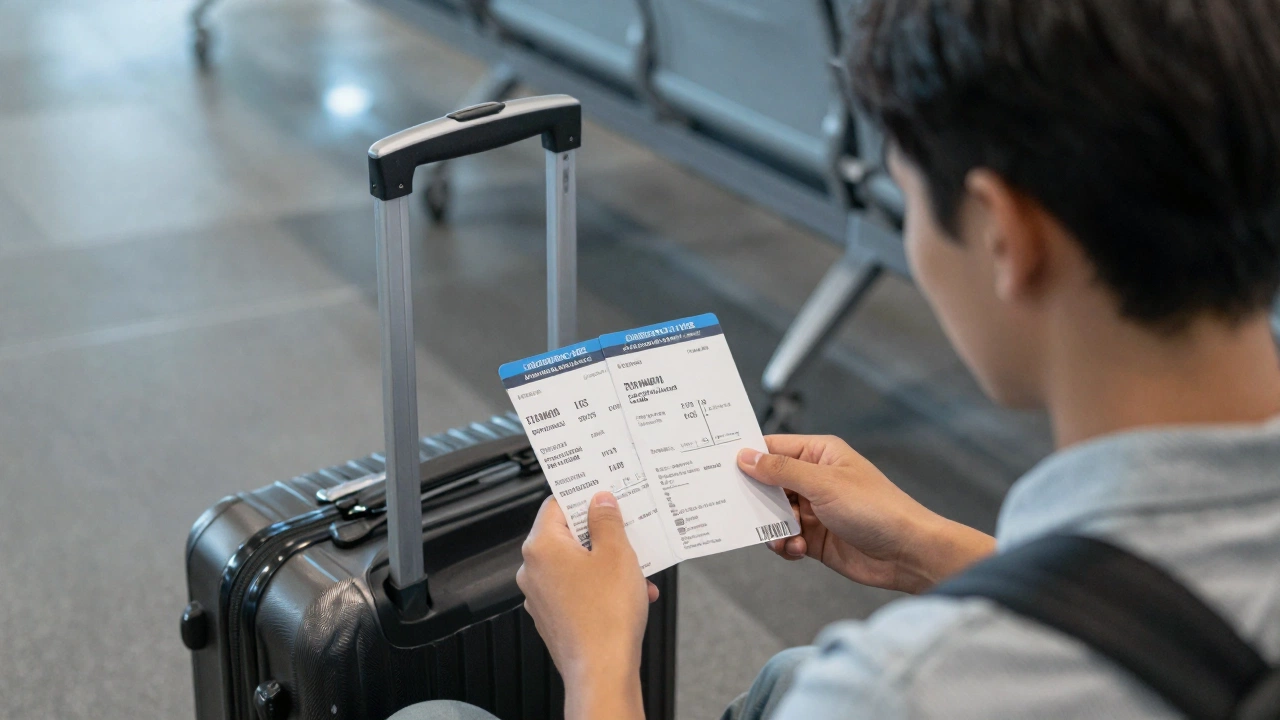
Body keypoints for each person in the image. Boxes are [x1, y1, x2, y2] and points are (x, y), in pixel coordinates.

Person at [393, 0, 1280, 717]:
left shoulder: (909, 688)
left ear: (1006, 237)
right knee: (790, 678)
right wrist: (931, 551)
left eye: (910, 199)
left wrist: (599, 669)